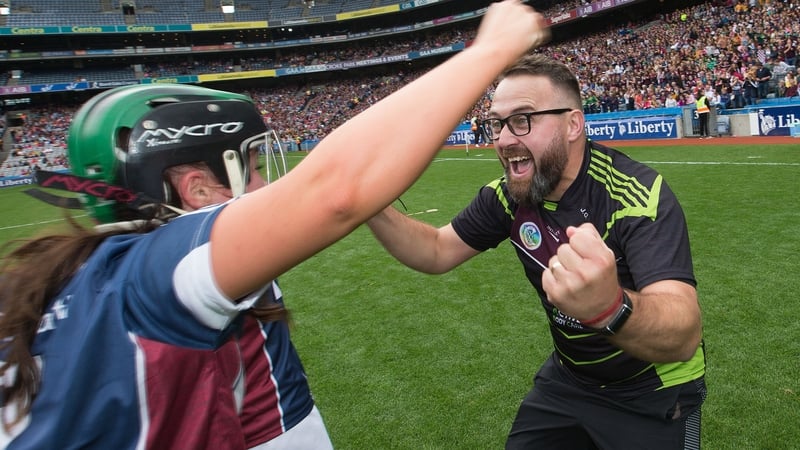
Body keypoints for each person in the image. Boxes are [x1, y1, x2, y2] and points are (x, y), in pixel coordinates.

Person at [0, 2, 551, 448]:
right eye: (254, 166)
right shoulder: (158, 274)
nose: (266, 186)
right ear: (194, 190)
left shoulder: (59, 290)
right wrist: (491, 50)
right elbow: (335, 192)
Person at [367, 54, 706, 449]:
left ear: (573, 124)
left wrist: (609, 308)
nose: (506, 139)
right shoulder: (507, 197)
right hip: (570, 380)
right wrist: (368, 205)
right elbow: (437, 250)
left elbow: (683, 333)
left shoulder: (636, 195)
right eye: (497, 123)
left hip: (652, 389)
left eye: (523, 119)